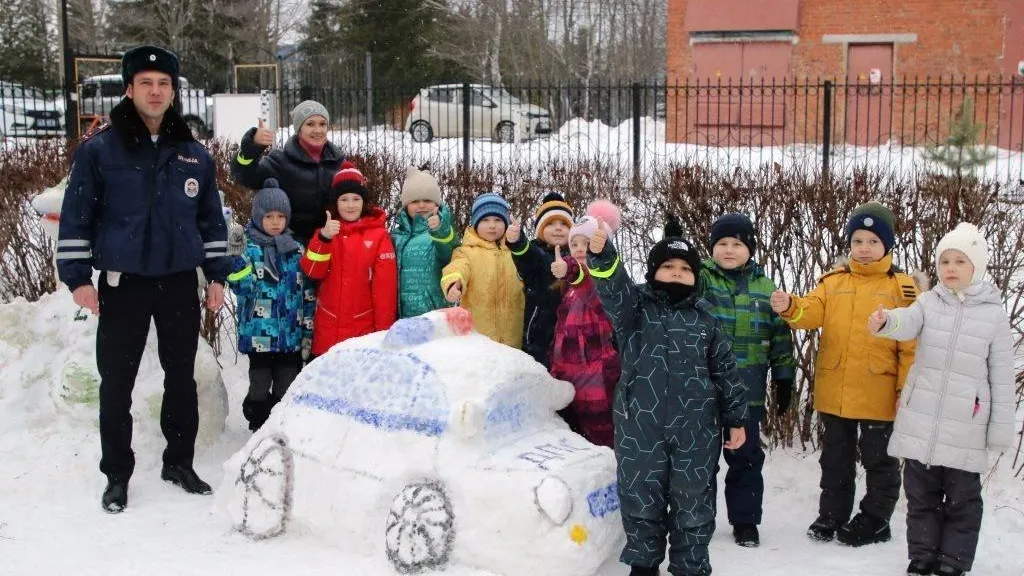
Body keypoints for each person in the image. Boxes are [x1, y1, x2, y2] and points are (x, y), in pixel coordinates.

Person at [55, 45, 230, 513]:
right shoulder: (99, 151)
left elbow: (211, 221)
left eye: (164, 84)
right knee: (116, 384)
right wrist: (77, 278)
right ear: (130, 89)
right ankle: (116, 474)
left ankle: (179, 462)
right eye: (146, 83)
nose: (155, 92)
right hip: (122, 283)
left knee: (181, 377)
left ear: (174, 93)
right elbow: (76, 218)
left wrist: (216, 274)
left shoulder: (193, 155)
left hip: (177, 282)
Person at [589, 214, 747, 576]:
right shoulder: (634, 311)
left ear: (696, 277)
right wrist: (603, 258)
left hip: (696, 432)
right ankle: (643, 564)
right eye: (668, 266)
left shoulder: (706, 320)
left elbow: (725, 373)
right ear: (653, 272)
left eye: (685, 268)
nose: (677, 272)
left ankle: (690, 565)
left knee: (694, 502)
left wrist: (736, 418)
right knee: (641, 500)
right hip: (639, 429)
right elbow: (612, 288)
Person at [769, 201, 920, 546]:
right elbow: (811, 311)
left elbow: (911, 347)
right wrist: (791, 306)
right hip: (836, 393)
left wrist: (904, 392)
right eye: (857, 241)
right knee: (835, 460)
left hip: (878, 395)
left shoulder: (903, 289)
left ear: (887, 246)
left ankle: (876, 519)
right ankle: (832, 514)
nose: (864, 249)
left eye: (873, 242)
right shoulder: (833, 283)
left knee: (880, 462)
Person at [868, 223, 1014, 576]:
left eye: (960, 261)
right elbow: (908, 322)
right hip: (923, 422)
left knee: (963, 501)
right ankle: (922, 556)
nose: (950, 268)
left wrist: (999, 431)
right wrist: (887, 322)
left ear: (976, 267)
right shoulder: (929, 302)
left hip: (966, 426)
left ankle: (953, 561)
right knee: (921, 497)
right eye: (945, 261)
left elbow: (1002, 377)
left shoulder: (993, 314)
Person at [699, 213, 795, 548]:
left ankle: (745, 521)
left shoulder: (765, 288)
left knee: (747, 459)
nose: (728, 250)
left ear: (750, 249)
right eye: (721, 243)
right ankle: (700, 518)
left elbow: (781, 336)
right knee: (702, 461)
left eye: (737, 244)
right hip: (704, 392)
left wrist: (784, 377)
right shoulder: (701, 280)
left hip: (748, 393)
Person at [226, 178, 315, 431]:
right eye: (268, 217)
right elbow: (241, 288)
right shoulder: (249, 250)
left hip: (290, 335)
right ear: (257, 218)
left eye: (280, 216)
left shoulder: (297, 251)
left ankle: (280, 427)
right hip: (259, 337)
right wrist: (235, 263)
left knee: (287, 385)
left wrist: (308, 330)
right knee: (259, 385)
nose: (275, 222)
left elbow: (307, 293)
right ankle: (257, 422)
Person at [301, 161, 397, 355]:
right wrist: (324, 239)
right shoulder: (325, 233)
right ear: (335, 203)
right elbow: (312, 272)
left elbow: (384, 290)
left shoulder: (378, 236)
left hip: (363, 333)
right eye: (344, 199)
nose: (350, 205)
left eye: (356, 199)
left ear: (364, 202)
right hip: (327, 334)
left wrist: (383, 335)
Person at [548, 202, 622, 447]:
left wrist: (572, 269)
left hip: (597, 371)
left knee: (602, 432)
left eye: (587, 243)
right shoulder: (568, 287)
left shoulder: (606, 280)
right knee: (574, 432)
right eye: (575, 244)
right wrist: (555, 366)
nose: (580, 250)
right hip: (569, 371)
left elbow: (590, 289)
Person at [231, 100, 345, 243]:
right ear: (299, 129)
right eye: (310, 124)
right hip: (291, 250)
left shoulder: (339, 162)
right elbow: (244, 176)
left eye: (322, 124)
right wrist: (251, 149)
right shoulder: (280, 161)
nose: (317, 130)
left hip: (330, 244)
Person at [440, 192, 525, 348]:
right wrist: (453, 283)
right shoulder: (467, 251)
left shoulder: (516, 253)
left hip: (513, 337)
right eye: (485, 220)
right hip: (479, 338)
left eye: (498, 220)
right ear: (475, 223)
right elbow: (457, 268)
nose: (492, 225)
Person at [505, 191, 574, 367]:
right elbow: (525, 257)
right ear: (540, 230)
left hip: (571, 329)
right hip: (539, 332)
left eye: (564, 224)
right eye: (550, 224)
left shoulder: (577, 255)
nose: (558, 228)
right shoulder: (535, 253)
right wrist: (517, 242)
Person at [391, 166, 459, 318]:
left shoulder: (443, 231)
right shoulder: (396, 236)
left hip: (433, 314)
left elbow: (448, 252)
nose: (421, 205)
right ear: (406, 205)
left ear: (436, 204)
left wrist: (439, 230)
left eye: (428, 200)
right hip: (402, 316)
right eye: (415, 201)